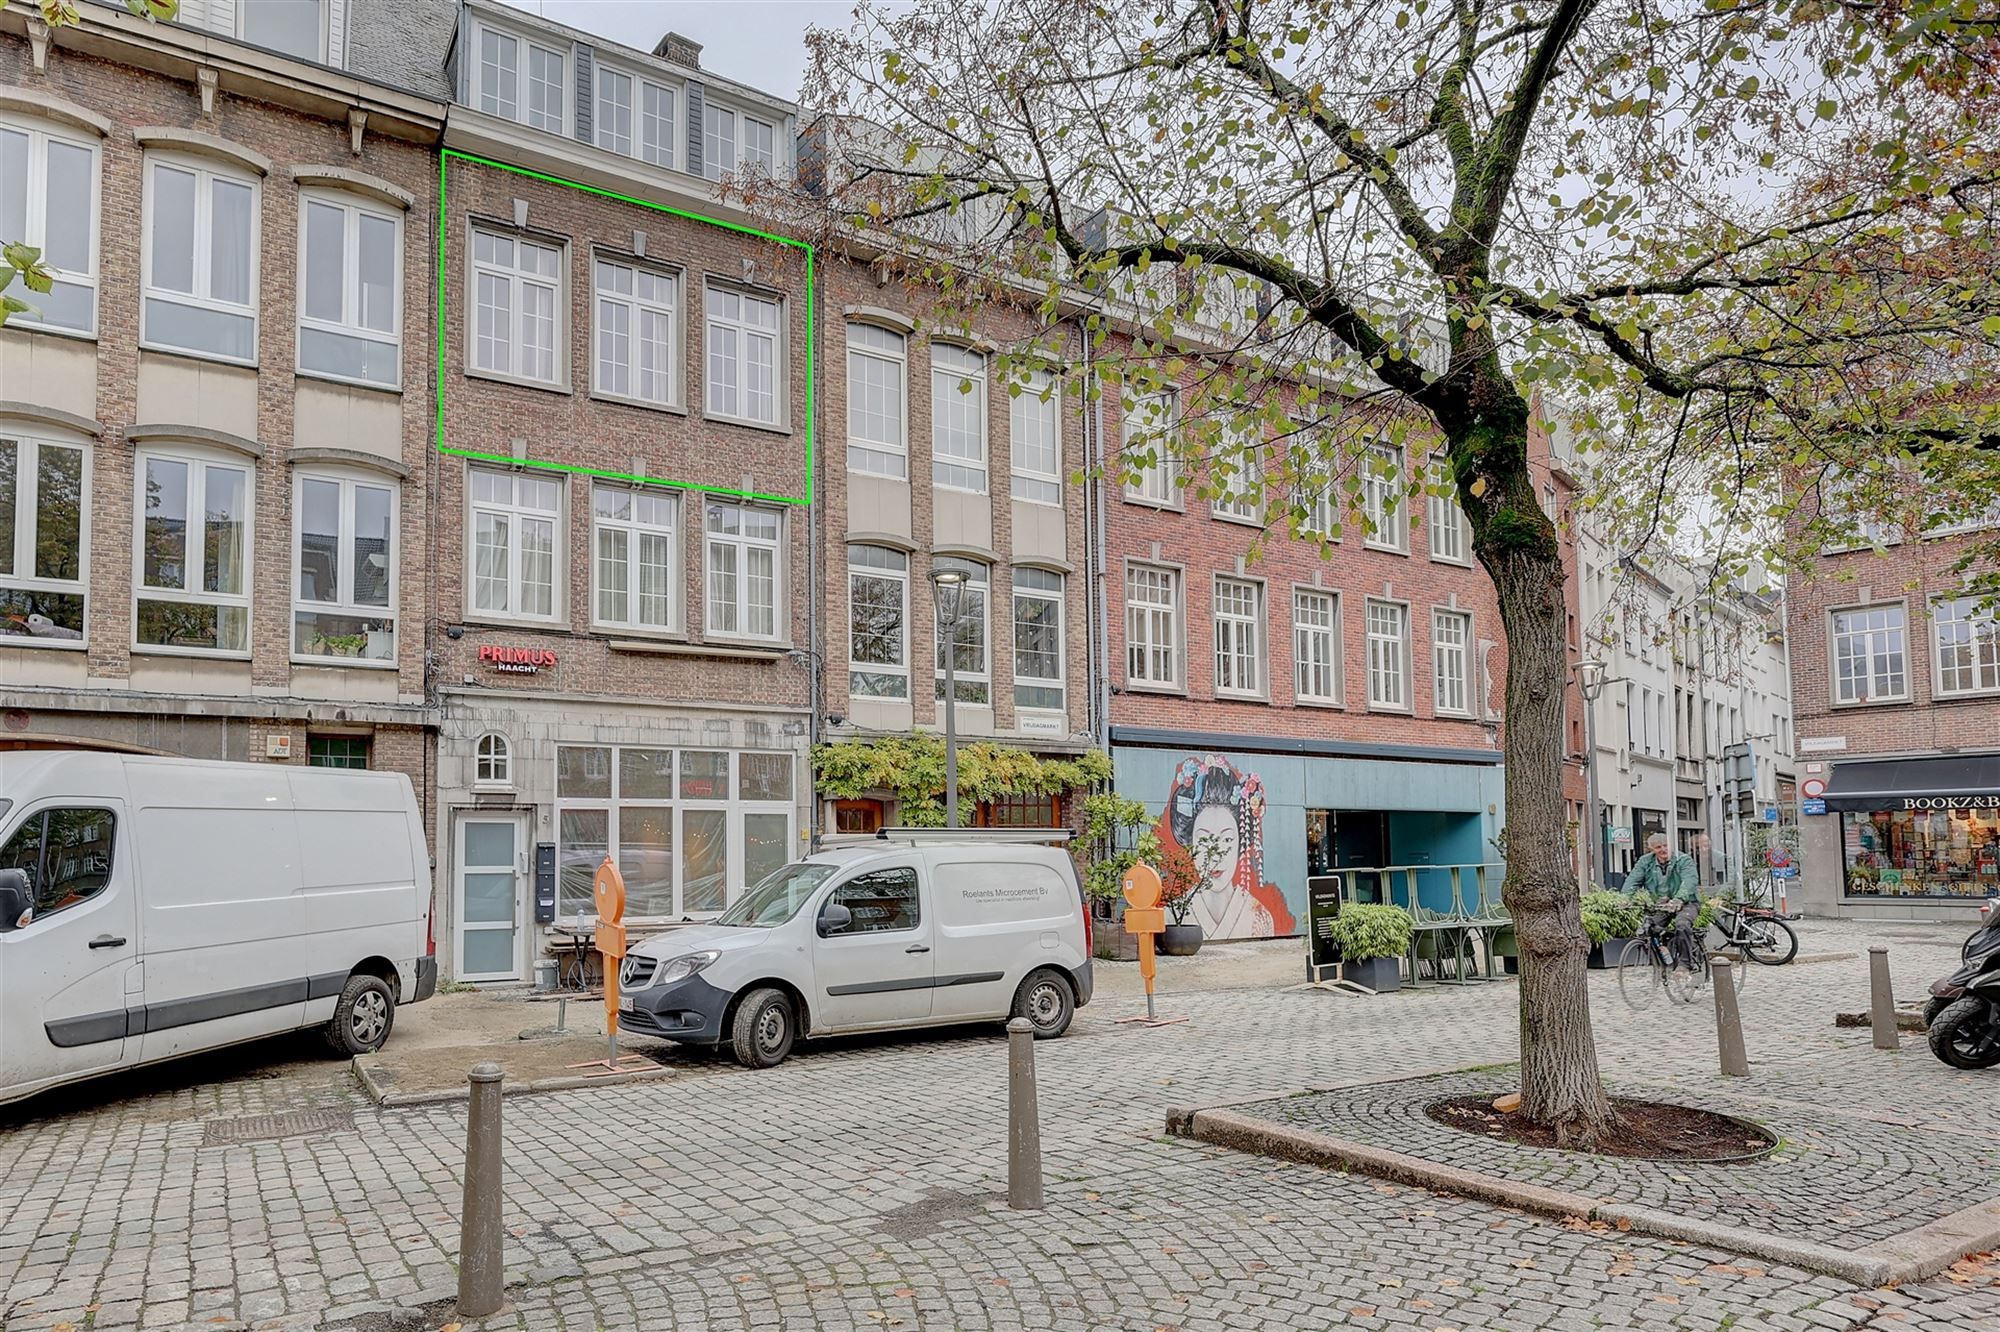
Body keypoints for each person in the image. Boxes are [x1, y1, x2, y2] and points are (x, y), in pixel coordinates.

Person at [1624, 833, 1701, 970]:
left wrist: (1679, 899)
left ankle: (1685, 964)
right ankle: (1665, 956)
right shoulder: (1645, 862)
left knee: (1682, 925)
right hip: (1662, 904)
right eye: (1658, 847)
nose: (1663, 849)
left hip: (1687, 902)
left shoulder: (1683, 860)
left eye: (1666, 846)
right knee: (1649, 928)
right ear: (1652, 849)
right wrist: (1624, 899)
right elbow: (1633, 881)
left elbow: (1689, 881)